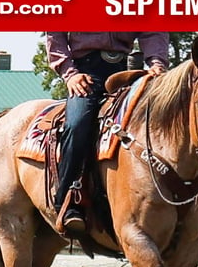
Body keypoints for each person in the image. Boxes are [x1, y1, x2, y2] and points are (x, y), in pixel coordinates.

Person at [45, 32, 169, 235]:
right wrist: (70, 73)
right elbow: (55, 32)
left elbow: (152, 28)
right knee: (77, 125)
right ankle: (68, 201)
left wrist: (156, 63)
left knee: (167, 117)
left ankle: (188, 210)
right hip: (85, 74)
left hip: (127, 72)